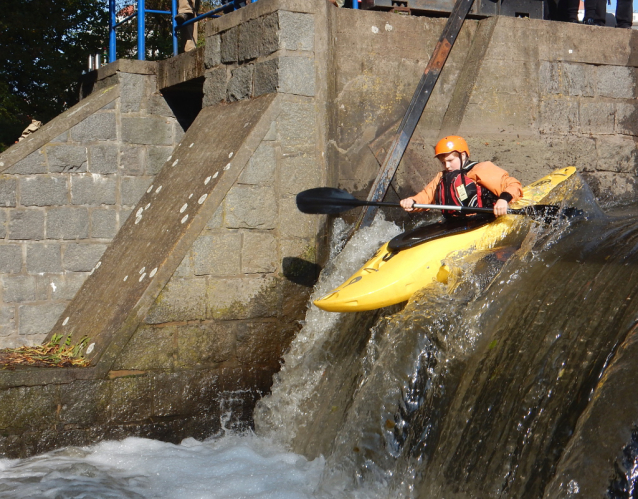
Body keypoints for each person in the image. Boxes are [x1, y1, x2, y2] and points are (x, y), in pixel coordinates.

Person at [399, 136, 523, 217]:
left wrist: (503, 200)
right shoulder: (442, 177)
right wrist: (412, 201)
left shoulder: (480, 170)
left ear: (463, 156)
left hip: (484, 219)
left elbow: (513, 185)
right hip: (456, 224)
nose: (447, 166)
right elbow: (426, 196)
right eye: (443, 162)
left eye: (450, 160)